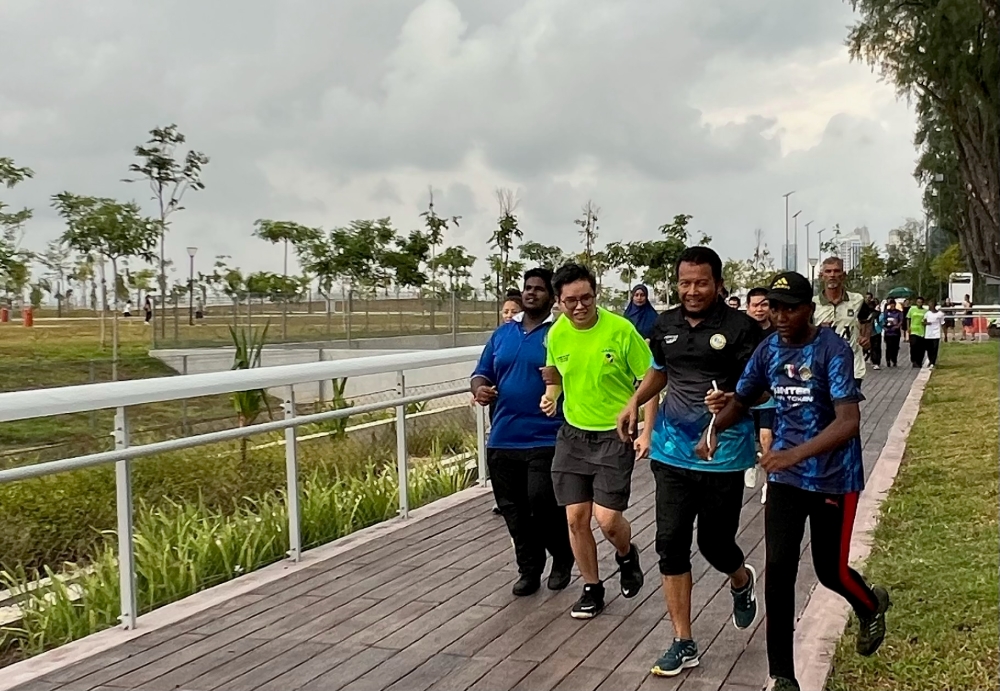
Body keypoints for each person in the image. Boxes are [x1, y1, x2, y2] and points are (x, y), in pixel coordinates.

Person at [699, 272, 891, 691]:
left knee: (830, 571)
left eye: (790, 308)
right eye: (774, 307)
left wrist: (793, 453)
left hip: (833, 479)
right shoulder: (768, 350)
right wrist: (714, 425)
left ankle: (871, 604)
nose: (780, 316)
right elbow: (743, 401)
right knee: (779, 569)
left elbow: (848, 422)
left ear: (809, 308)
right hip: (786, 479)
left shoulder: (832, 351)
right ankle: (782, 675)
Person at [617, 247, 761, 677]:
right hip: (671, 452)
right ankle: (683, 641)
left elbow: (759, 386)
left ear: (718, 283)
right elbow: (661, 370)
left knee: (715, 545)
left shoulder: (743, 329)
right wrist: (635, 400)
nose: (692, 291)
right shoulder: (665, 324)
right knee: (671, 543)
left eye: (701, 283)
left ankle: (740, 579)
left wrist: (732, 398)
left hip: (723, 454)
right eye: (685, 283)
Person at [540, 263, 651, 619]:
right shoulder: (557, 334)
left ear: (595, 294)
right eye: (570, 300)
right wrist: (551, 394)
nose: (579, 306)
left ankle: (625, 554)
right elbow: (555, 371)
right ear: (558, 302)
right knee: (575, 518)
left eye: (586, 297)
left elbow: (651, 378)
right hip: (572, 434)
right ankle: (592, 586)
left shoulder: (620, 330)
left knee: (606, 520)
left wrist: (646, 429)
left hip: (614, 435)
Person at [471, 269, 574, 596]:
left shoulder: (562, 332)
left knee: (541, 501)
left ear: (553, 297)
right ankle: (529, 569)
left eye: (539, 289)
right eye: (527, 288)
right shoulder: (503, 333)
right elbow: (481, 373)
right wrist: (480, 389)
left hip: (546, 434)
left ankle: (562, 555)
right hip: (503, 435)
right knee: (513, 509)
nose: (530, 293)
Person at [813, 257, 871, 390]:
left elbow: (866, 320)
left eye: (836, 271)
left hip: (852, 366)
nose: (832, 275)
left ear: (843, 275)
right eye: (828, 271)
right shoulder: (813, 304)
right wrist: (818, 329)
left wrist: (866, 337)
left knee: (847, 408)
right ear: (822, 276)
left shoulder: (857, 300)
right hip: (822, 366)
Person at [746, 287, 777, 502]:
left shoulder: (777, 332)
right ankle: (750, 463)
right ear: (747, 307)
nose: (759, 309)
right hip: (745, 395)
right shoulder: (740, 332)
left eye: (764, 304)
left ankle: (769, 480)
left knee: (766, 437)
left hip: (770, 393)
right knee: (748, 435)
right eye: (755, 305)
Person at [907, 297, 928, 368]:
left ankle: (919, 361)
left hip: (922, 330)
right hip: (913, 330)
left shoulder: (925, 311)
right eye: (918, 302)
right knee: (913, 345)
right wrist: (908, 327)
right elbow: (908, 318)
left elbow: (926, 319)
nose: (919, 303)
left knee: (921, 347)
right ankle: (914, 360)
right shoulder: (912, 309)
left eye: (921, 302)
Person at [923, 300, 943, 369]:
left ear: (934, 305)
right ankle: (930, 360)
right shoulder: (927, 313)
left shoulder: (940, 314)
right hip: (928, 334)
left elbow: (943, 323)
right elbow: (923, 322)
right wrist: (926, 323)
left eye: (930, 304)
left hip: (936, 333)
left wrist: (944, 334)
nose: (929, 306)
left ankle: (932, 362)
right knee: (929, 348)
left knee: (934, 348)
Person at [882, 301, 903, 367]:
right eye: (891, 305)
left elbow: (901, 320)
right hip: (888, 332)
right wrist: (884, 327)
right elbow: (883, 320)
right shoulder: (886, 312)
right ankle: (888, 360)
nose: (892, 306)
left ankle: (894, 360)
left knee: (895, 347)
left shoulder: (898, 312)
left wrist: (897, 326)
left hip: (896, 333)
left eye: (893, 305)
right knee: (888, 347)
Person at [868, 298, 883, 371]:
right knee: (874, 348)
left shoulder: (877, 313)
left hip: (876, 332)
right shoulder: (867, 314)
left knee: (875, 347)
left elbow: (881, 322)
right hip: (870, 332)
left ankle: (876, 361)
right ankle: (874, 361)